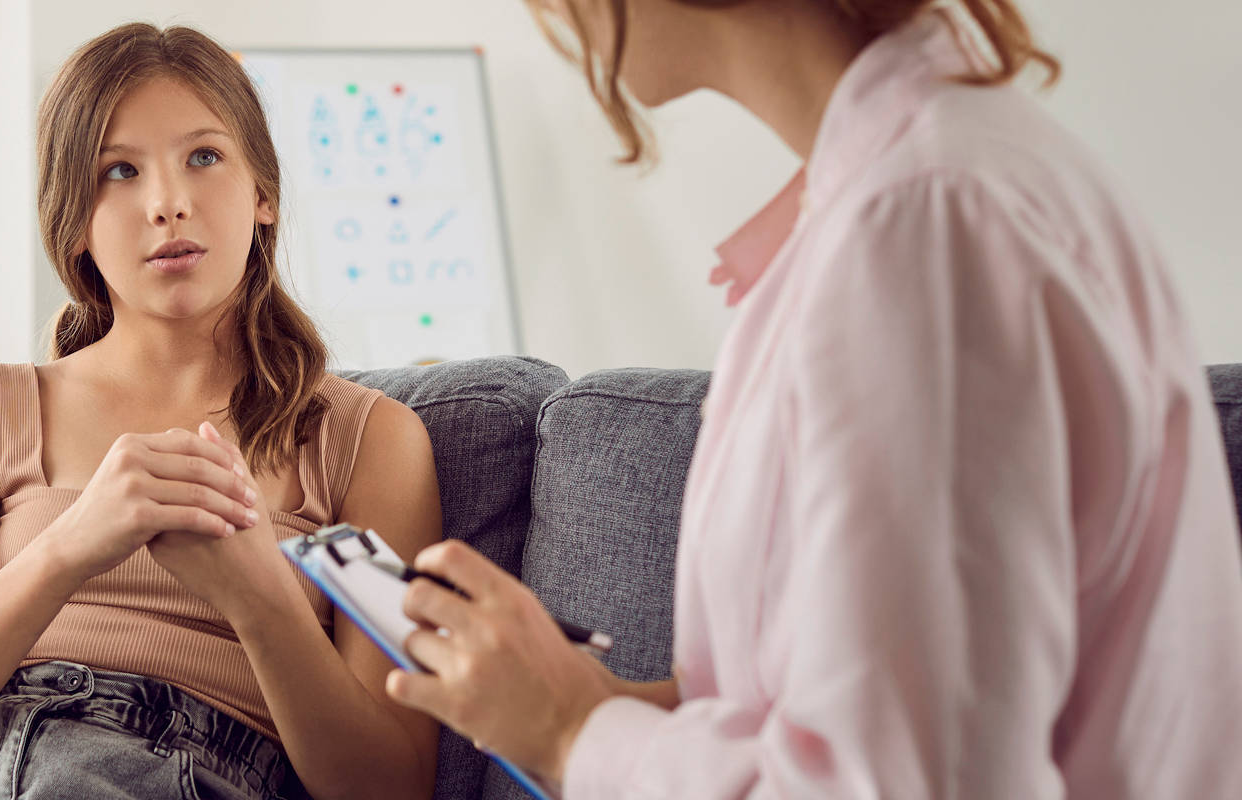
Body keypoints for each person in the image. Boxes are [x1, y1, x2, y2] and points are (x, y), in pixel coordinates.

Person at [382, 1, 1242, 797]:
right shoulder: (929, 186)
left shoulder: (922, 227)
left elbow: (904, 780)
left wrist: (574, 732)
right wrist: (592, 702)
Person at [0, 22, 442, 800]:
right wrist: (69, 546)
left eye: (203, 157)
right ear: (75, 222)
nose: (167, 203)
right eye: (119, 171)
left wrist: (258, 598)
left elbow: (392, 787)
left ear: (263, 193)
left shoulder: (370, 441)